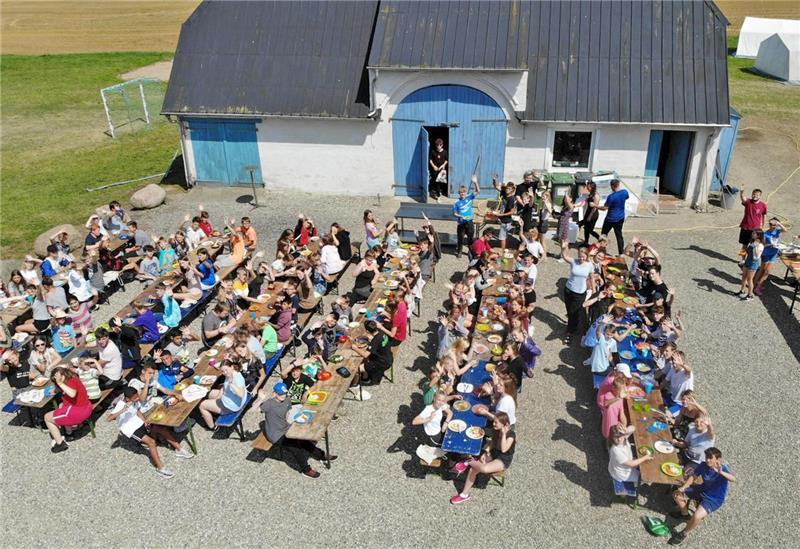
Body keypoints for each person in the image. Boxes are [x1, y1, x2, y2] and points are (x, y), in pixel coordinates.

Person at [253, 381, 336, 478]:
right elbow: (253, 410)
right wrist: (260, 399)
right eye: (280, 394)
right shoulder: (269, 404)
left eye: (284, 393)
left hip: (285, 427)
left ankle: (322, 456)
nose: (283, 396)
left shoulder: (287, 399)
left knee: (304, 441)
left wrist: (290, 422)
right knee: (295, 449)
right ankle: (306, 470)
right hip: (275, 434)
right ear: (274, 394)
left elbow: (287, 412)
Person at [107, 386, 194, 478]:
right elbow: (109, 418)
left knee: (162, 429)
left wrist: (144, 421)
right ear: (127, 398)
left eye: (137, 395)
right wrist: (122, 410)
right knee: (151, 443)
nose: (138, 398)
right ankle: (160, 469)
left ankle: (179, 449)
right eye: (135, 397)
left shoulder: (134, 401)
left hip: (139, 422)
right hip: (130, 429)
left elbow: (137, 411)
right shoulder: (121, 405)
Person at [669, 447, 736, 545]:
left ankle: (684, 533)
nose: (707, 460)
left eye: (710, 458)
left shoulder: (723, 469)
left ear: (717, 459)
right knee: (676, 494)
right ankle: (685, 515)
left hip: (714, 499)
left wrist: (721, 472)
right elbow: (693, 477)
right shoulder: (703, 465)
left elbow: (733, 479)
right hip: (702, 490)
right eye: (706, 457)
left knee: (697, 516)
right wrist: (683, 487)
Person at [449, 412, 515, 504]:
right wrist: (486, 451)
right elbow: (493, 443)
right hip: (494, 453)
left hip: (503, 459)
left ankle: (468, 460)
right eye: (494, 422)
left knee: (484, 468)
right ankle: (464, 495)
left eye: (496, 422)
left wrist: (503, 434)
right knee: (474, 468)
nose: (493, 424)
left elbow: (504, 449)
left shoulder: (511, 435)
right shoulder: (496, 430)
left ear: (505, 424)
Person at [44, 367, 92, 453]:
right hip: (86, 406)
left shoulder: (70, 382)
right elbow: (66, 390)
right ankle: (69, 432)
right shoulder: (72, 378)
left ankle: (60, 444)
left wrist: (59, 383)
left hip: (79, 412)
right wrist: (57, 388)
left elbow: (72, 394)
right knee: (61, 405)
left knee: (47, 417)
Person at [608, 423, 652, 504]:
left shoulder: (623, 439)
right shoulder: (616, 450)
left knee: (643, 467)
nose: (619, 439)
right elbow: (632, 464)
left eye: (620, 435)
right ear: (612, 437)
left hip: (624, 467)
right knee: (646, 477)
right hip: (622, 474)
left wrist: (625, 430)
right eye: (616, 437)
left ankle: (633, 483)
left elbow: (633, 427)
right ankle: (632, 485)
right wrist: (645, 457)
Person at [199, 361, 247, 429]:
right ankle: (213, 411)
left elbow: (241, 394)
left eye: (226, 370)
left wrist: (231, 383)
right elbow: (225, 387)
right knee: (209, 393)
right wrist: (218, 396)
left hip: (231, 406)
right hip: (229, 398)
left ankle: (212, 427)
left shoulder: (237, 378)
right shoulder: (231, 373)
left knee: (202, 405)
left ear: (232, 367)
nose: (225, 373)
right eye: (223, 371)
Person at [562, 246, 593, 343]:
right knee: (570, 311)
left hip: (580, 293)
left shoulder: (589, 265)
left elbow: (591, 278)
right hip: (569, 290)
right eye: (580, 256)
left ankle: (570, 331)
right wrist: (563, 248)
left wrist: (594, 289)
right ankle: (571, 329)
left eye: (583, 257)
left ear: (587, 256)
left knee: (575, 312)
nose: (581, 258)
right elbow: (565, 256)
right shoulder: (574, 261)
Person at [352, 320, 394, 386]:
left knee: (357, 369)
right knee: (367, 359)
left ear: (368, 332)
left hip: (382, 363)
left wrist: (355, 348)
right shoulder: (382, 332)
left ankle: (355, 385)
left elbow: (365, 354)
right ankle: (365, 378)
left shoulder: (375, 341)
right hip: (389, 357)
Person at [754, 217, 786, 295]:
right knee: (762, 270)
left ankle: (758, 286)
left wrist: (779, 224)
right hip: (766, 254)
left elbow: (785, 230)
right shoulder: (765, 234)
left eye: (774, 224)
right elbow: (762, 245)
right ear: (769, 225)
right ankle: (754, 284)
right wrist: (770, 244)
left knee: (767, 272)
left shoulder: (777, 231)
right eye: (771, 224)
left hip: (774, 253)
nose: (773, 226)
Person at [598, 179, 629, 255]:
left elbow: (604, 208)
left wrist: (595, 206)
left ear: (612, 186)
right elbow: (626, 198)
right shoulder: (625, 192)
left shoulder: (611, 197)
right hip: (620, 218)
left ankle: (601, 251)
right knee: (619, 235)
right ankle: (621, 253)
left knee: (603, 235)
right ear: (618, 184)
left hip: (610, 219)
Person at [453, 175, 481, 258]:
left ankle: (470, 251)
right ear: (459, 193)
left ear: (466, 193)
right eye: (461, 193)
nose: (462, 194)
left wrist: (475, 182)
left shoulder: (469, 197)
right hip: (461, 223)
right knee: (460, 238)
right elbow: (454, 213)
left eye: (464, 192)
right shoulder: (456, 202)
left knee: (470, 239)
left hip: (469, 222)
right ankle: (459, 252)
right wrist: (460, 216)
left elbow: (478, 191)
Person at [737, 186, 767, 253]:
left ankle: (752, 260)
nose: (755, 196)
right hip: (745, 227)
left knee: (755, 245)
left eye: (757, 195)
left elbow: (764, 216)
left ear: (760, 196)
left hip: (756, 229)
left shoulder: (763, 205)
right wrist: (741, 193)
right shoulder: (748, 202)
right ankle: (743, 260)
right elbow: (743, 199)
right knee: (744, 245)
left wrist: (762, 226)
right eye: (753, 194)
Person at [491, 179, 517, 251]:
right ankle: (505, 249)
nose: (507, 190)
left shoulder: (511, 199)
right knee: (504, 235)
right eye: (506, 188)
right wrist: (494, 180)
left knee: (502, 237)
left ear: (512, 190)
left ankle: (503, 251)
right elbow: (496, 186)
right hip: (503, 218)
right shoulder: (504, 194)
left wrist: (501, 215)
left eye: (509, 189)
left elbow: (512, 212)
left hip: (506, 220)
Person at [738, 229, 764, 300]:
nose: (752, 234)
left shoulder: (760, 245)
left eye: (754, 233)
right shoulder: (752, 242)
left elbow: (757, 256)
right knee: (744, 277)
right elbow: (747, 251)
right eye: (753, 233)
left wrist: (755, 247)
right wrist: (743, 253)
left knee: (749, 280)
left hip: (753, 263)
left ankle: (750, 295)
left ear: (758, 235)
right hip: (747, 261)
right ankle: (742, 291)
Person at [556, 195, 575, 261]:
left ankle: (564, 257)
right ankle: (562, 253)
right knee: (561, 241)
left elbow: (568, 201)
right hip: (560, 224)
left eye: (567, 198)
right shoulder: (564, 207)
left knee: (564, 241)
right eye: (564, 199)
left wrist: (566, 193)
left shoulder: (571, 206)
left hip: (565, 225)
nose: (565, 200)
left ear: (571, 199)